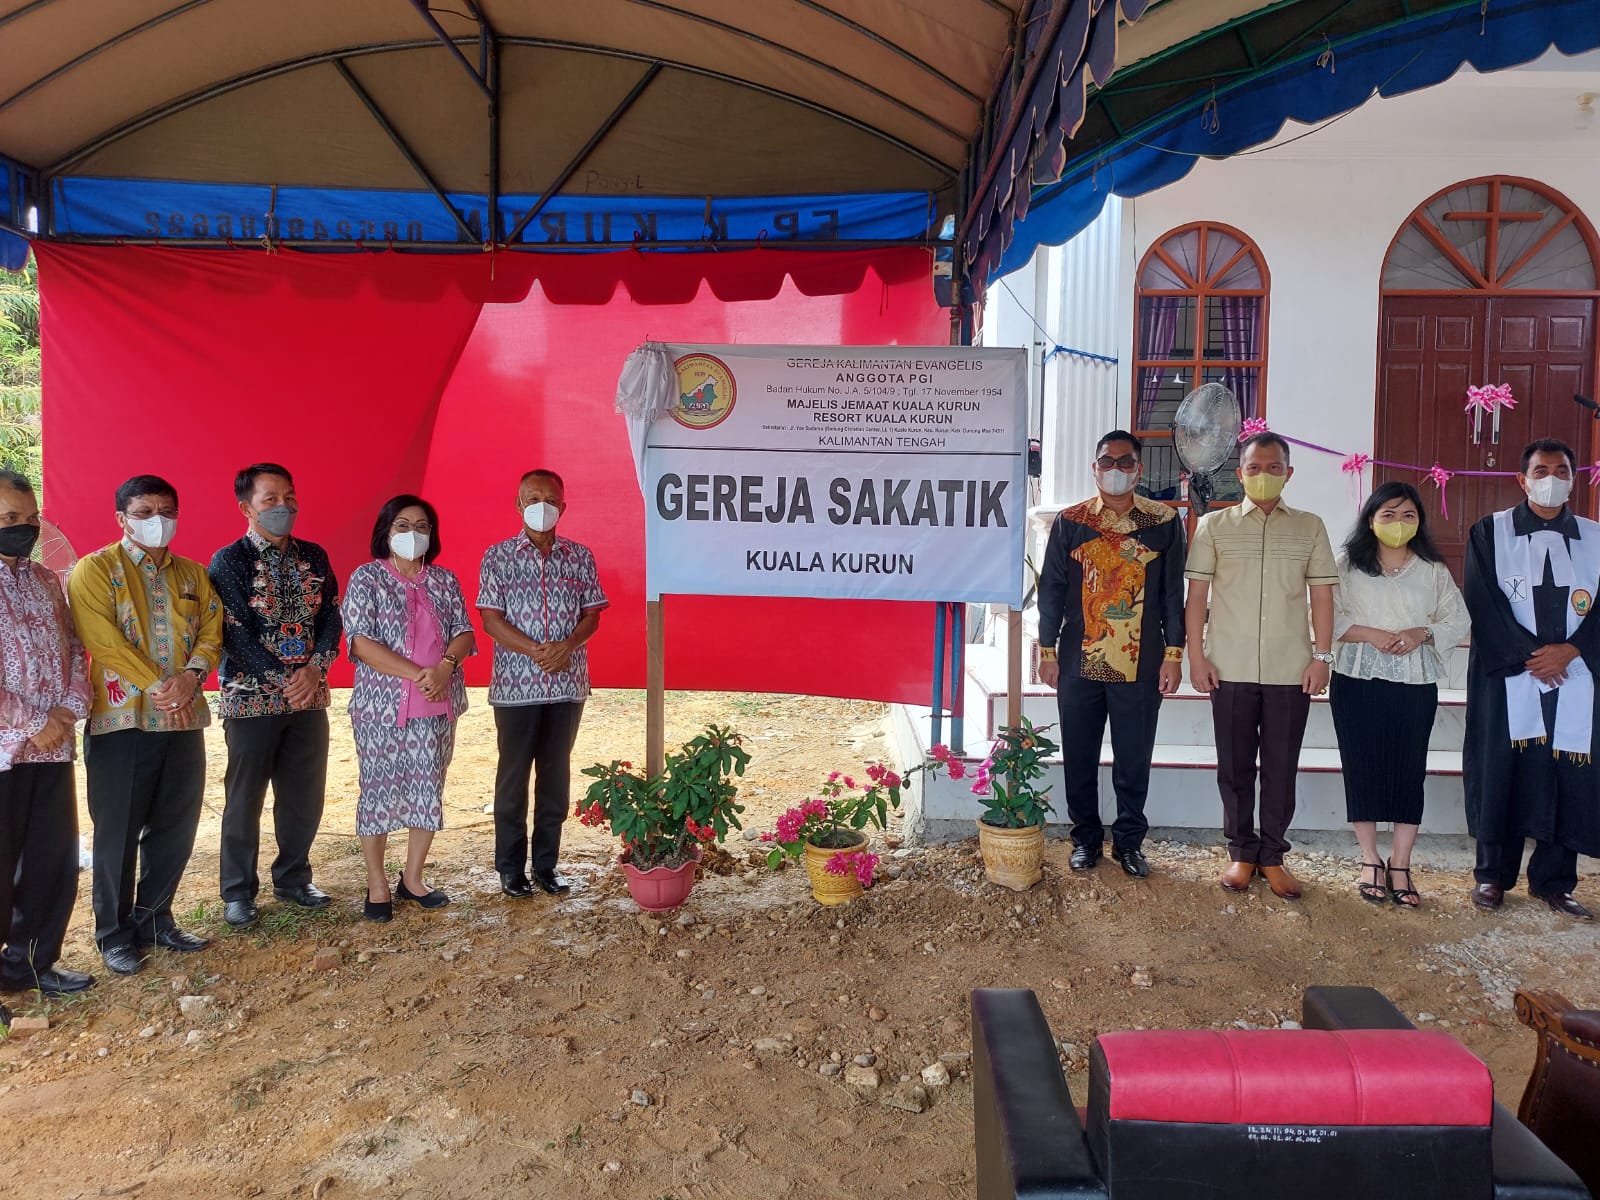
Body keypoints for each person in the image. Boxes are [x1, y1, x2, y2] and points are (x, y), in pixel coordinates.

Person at [68, 475, 222, 975]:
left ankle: (157, 918)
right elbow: (104, 642)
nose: (158, 519)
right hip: (122, 722)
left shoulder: (194, 576)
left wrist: (193, 677)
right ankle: (114, 935)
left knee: (176, 825)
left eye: (167, 510)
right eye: (145, 510)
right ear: (121, 518)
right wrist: (162, 685)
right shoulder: (94, 571)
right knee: (117, 832)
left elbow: (212, 631)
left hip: (184, 721)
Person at [1185, 432, 1339, 900]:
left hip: (1290, 669)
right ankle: (1241, 851)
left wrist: (1322, 656)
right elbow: (1196, 599)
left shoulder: (1310, 527)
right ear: (1240, 473)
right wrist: (1196, 655)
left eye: (1275, 468)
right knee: (1233, 767)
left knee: (1280, 767)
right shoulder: (1214, 526)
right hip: (1226, 666)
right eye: (1254, 468)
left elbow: (1322, 596)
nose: (1264, 476)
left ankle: (1273, 855)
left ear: (1288, 473)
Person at [1036, 431, 1185, 878]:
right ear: (1094, 467)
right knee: (1079, 753)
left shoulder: (1163, 522)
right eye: (1107, 461)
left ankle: (1129, 843)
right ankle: (1084, 839)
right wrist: (1047, 650)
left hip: (1141, 661)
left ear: (1139, 469)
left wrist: (1174, 655)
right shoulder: (1072, 521)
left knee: (1133, 755)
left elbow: (1172, 593)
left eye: (1125, 462)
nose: (1116, 470)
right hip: (1080, 658)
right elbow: (1052, 590)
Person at [1464, 439, 1599, 921]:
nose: (1551, 477)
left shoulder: (1595, 537)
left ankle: (1554, 881)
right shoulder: (1490, 532)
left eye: (1562, 469)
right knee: (1503, 768)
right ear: (1521, 480)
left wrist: (1573, 649)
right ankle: (1491, 876)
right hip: (1508, 676)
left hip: (1575, 676)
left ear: (1574, 478)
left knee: (1566, 770)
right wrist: (1530, 656)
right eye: (1541, 470)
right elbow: (1482, 601)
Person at [208, 464, 343, 929]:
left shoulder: (315, 555)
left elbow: (331, 617)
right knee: (244, 798)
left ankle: (293, 877)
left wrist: (315, 669)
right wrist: (283, 677)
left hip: (309, 698)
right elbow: (233, 632)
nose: (283, 505)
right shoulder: (229, 561)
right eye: (270, 499)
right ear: (246, 508)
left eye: (289, 495)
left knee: (304, 794)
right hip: (250, 700)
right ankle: (238, 892)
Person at [1330, 481, 1469, 908]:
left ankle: (1402, 862)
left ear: (1419, 522)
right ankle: (1371, 859)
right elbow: (1321, 615)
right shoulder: (1346, 566)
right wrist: (1368, 633)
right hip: (1356, 679)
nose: (1397, 523)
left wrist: (1421, 632)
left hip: (1414, 684)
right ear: (1370, 521)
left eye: (1408, 515)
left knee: (1410, 769)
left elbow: (1457, 619)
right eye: (1387, 515)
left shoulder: (1432, 570)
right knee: (1362, 765)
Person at [342, 495, 476, 922]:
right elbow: (360, 642)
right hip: (381, 710)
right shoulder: (366, 578)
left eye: (422, 526)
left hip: (437, 707)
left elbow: (465, 631)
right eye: (403, 525)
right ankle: (377, 883)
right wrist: (420, 673)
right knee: (378, 793)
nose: (412, 534)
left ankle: (413, 878)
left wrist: (446, 667)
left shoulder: (444, 580)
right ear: (386, 531)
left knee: (427, 792)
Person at [479, 469, 607, 898]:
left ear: (563, 508)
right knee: (512, 779)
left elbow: (592, 614)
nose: (541, 506)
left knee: (555, 778)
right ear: (518, 505)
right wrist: (536, 649)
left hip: (567, 686)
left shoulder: (580, 557)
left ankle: (547, 866)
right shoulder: (496, 557)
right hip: (516, 689)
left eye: (550, 499)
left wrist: (568, 645)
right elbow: (491, 620)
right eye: (532, 498)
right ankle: (510, 869)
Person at [0, 470, 93, 1003]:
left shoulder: (45, 580)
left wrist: (68, 710)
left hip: (54, 750)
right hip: (8, 750)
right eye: (10, 519)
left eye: (30, 518)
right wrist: (37, 721)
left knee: (50, 863)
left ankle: (31, 966)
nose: (25, 527)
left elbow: (76, 649)